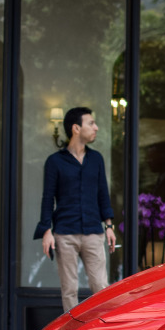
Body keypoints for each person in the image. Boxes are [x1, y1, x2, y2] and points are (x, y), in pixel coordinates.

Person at [34, 106, 116, 313]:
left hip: (93, 232)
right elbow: (47, 198)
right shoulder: (54, 162)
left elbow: (102, 194)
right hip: (65, 233)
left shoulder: (96, 159)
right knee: (69, 289)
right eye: (91, 123)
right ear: (76, 128)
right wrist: (46, 231)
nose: (96, 128)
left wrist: (109, 226)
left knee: (101, 287)